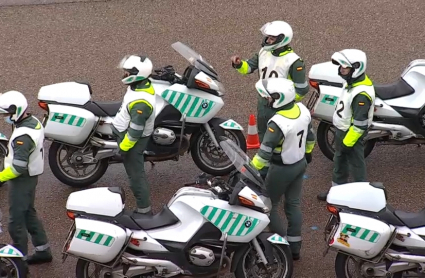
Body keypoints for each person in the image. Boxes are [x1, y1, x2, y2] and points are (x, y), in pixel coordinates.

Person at [250, 78, 316, 260]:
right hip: (300, 164)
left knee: (269, 206)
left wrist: (250, 170)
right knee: (293, 205)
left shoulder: (277, 122)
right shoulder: (303, 110)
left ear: (279, 98)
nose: (266, 100)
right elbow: (311, 137)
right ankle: (295, 247)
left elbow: (264, 153)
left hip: (281, 169)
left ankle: (282, 246)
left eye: (269, 98)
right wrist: (308, 152)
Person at [231, 20, 309, 143]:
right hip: (263, 103)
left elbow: (302, 89)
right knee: (263, 134)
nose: (267, 41)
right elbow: (249, 67)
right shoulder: (263, 52)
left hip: (281, 107)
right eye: (268, 38)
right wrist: (239, 64)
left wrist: (286, 102)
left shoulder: (294, 61)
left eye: (272, 39)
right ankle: (265, 160)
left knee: (280, 138)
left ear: (282, 39)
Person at [0, 91, 52, 271]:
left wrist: (0, 177)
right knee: (29, 213)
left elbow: (17, 168)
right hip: (31, 177)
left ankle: (18, 263)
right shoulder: (32, 121)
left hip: (22, 180)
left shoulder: (23, 136)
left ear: (16, 112)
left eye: (6, 114)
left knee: (15, 221)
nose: (5, 117)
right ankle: (42, 250)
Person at [317, 49, 376, 201]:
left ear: (357, 68)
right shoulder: (351, 83)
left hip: (350, 135)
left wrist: (346, 143)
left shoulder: (361, 94)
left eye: (346, 67)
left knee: (357, 166)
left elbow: (359, 125)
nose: (341, 69)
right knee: (339, 164)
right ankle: (337, 194)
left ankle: (361, 199)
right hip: (342, 131)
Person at [111, 54, 156, 215]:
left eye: (128, 72)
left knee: (136, 177)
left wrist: (122, 149)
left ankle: (144, 211)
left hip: (131, 142)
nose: (125, 75)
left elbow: (134, 133)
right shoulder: (140, 85)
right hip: (123, 128)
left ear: (138, 75)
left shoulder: (141, 104)